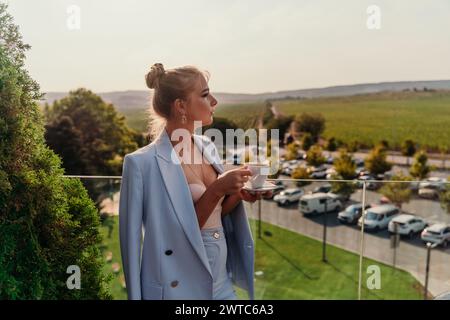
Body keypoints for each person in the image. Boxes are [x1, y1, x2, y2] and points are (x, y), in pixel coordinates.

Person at [119, 63, 272, 300]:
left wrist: (237, 193)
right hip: (178, 288)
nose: (214, 101)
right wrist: (219, 188)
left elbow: (216, 214)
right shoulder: (141, 164)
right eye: (204, 94)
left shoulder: (206, 146)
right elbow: (136, 245)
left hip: (220, 281)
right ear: (181, 105)